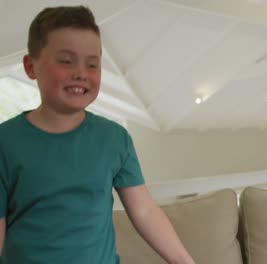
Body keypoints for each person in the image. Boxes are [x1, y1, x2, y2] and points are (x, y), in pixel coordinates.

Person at [0, 5, 195, 264]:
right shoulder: (5, 142)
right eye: (66, 61)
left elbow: (145, 210)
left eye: (92, 64)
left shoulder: (115, 139)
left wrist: (184, 261)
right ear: (30, 66)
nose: (81, 73)